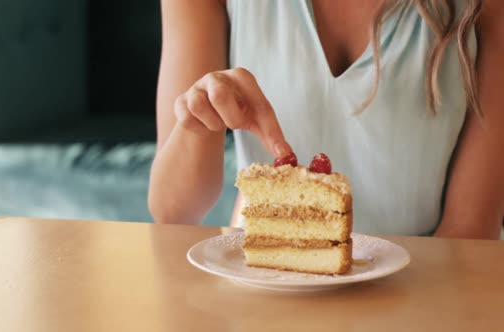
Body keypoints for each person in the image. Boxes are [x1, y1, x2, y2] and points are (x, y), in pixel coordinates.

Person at [148, 0, 504, 239]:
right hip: (265, 288)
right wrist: (200, 119)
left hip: (423, 293)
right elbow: (172, 210)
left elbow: (470, 234)